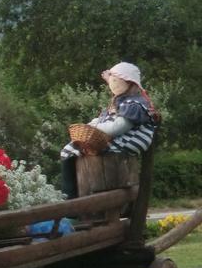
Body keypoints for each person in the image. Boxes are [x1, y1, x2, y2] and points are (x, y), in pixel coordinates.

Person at [59, 61, 160, 198]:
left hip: (127, 140)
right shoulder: (119, 101)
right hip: (114, 138)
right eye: (111, 81)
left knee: (81, 150)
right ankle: (70, 194)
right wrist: (89, 126)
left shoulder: (134, 104)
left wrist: (93, 128)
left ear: (129, 83)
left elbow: (116, 128)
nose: (112, 84)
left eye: (116, 80)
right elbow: (102, 121)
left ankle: (72, 196)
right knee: (70, 149)